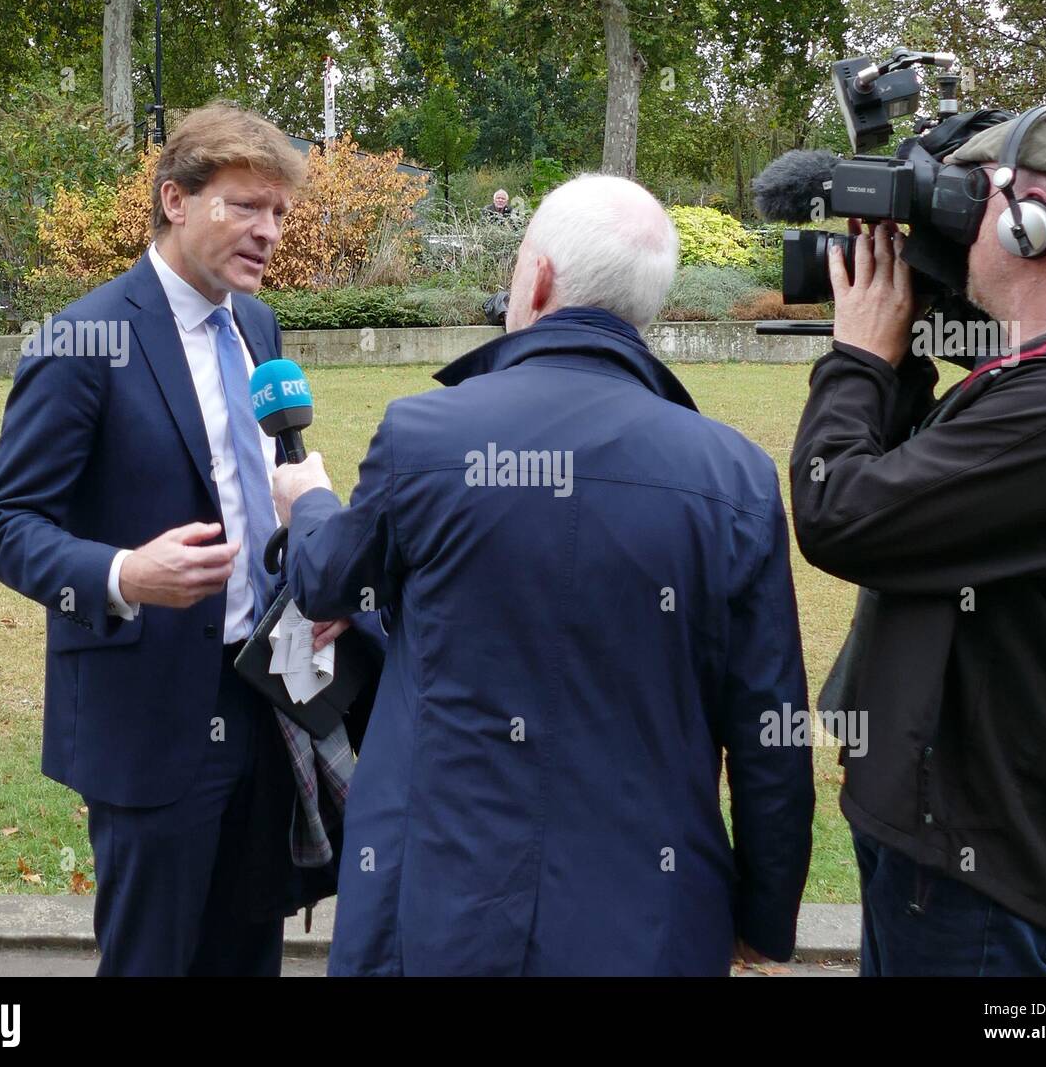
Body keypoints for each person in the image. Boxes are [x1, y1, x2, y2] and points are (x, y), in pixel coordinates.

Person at [271, 173, 815, 976]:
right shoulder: (733, 474)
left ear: (539, 277)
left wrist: (307, 500)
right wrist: (765, 919)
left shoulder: (427, 435)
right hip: (646, 924)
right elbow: (773, 732)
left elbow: (325, 580)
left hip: (435, 915)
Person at [0, 101, 365, 976]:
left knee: (247, 954)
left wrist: (308, 577)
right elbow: (3, 527)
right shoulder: (84, 340)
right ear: (175, 201)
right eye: (244, 206)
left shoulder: (257, 327)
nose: (268, 232)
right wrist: (122, 572)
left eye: (279, 213)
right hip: (150, 715)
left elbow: (260, 484)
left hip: (267, 698)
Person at [790, 107, 1046, 976]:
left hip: (976, 865)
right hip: (963, 834)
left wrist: (857, 359)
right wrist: (903, 354)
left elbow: (839, 511)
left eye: (974, 198)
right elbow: (924, 512)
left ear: (1025, 220)